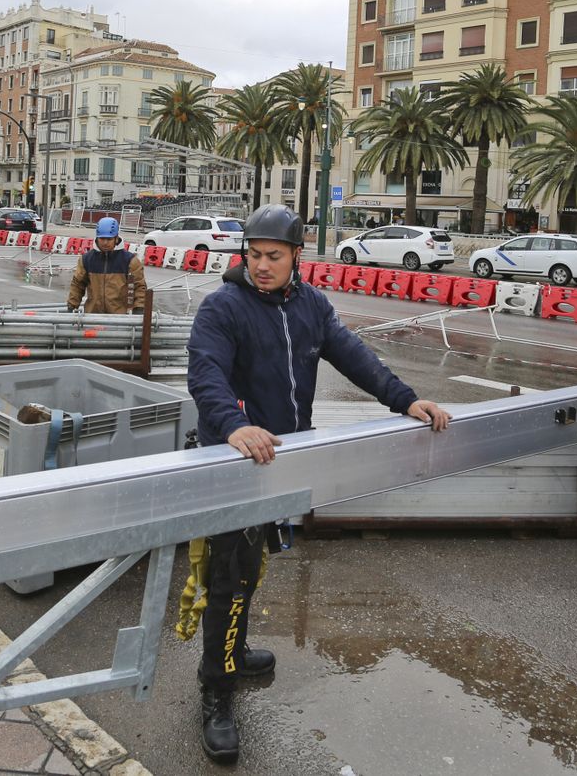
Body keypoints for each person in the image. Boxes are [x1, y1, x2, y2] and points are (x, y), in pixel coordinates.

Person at [185, 203, 451, 764]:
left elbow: (356, 358)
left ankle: (233, 648)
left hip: (283, 461)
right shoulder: (222, 308)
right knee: (228, 576)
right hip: (233, 459)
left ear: (297, 257)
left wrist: (406, 399)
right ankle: (217, 690)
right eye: (253, 256)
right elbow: (205, 372)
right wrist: (234, 426)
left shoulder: (310, 306)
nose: (260, 266)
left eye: (272, 257)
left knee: (252, 566)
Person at [65, 216, 146, 314]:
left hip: (120, 320)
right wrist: (71, 306)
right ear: (97, 238)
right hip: (92, 317)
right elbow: (78, 284)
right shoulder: (86, 260)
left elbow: (139, 287)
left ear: (116, 238)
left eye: (109, 239)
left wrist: (139, 308)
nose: (105, 243)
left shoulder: (130, 261)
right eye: (102, 239)